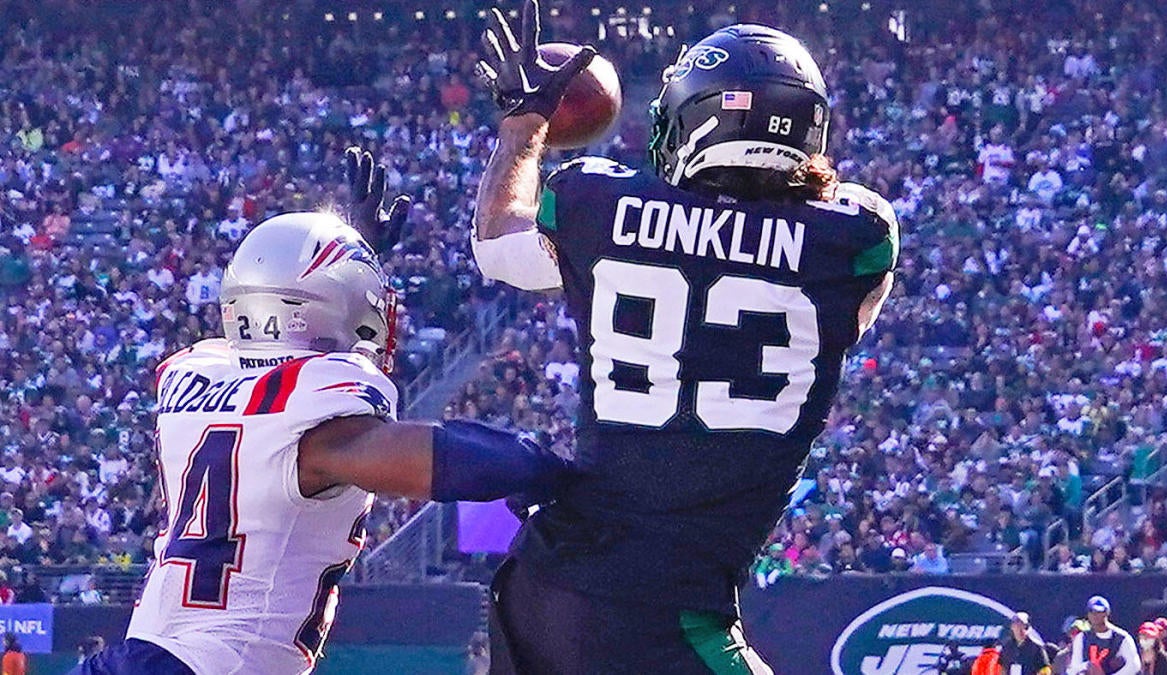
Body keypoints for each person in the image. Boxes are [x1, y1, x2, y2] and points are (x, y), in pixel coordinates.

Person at [470, 1, 896, 671]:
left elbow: (497, 244)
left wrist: (524, 127)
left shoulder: (596, 201)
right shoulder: (857, 242)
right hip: (665, 609)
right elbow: (824, 282)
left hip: (551, 584)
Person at [73, 202, 574, 674]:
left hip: (143, 652)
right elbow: (442, 460)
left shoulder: (201, 378)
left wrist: (352, 266)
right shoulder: (319, 427)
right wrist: (545, 469)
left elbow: (285, 344)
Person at [1067, 596, 1139, 675]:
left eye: (1099, 611)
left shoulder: (1122, 638)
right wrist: (1087, 665)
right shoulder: (1081, 637)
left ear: (1107, 613)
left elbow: (1134, 665)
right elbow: (1073, 668)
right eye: (1091, 611)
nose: (1095, 615)